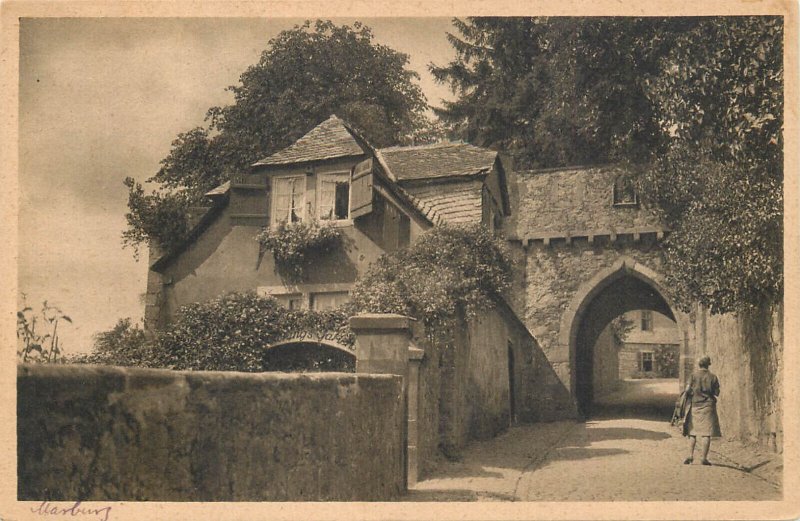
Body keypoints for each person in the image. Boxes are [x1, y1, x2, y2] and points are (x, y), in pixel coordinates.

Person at [683, 355, 721, 465]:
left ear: (699, 364)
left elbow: (687, 390)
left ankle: (690, 455)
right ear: (708, 365)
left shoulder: (693, 376)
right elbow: (717, 393)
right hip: (708, 406)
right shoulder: (713, 377)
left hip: (695, 405)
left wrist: (693, 393)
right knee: (706, 433)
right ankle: (704, 458)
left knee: (692, 432)